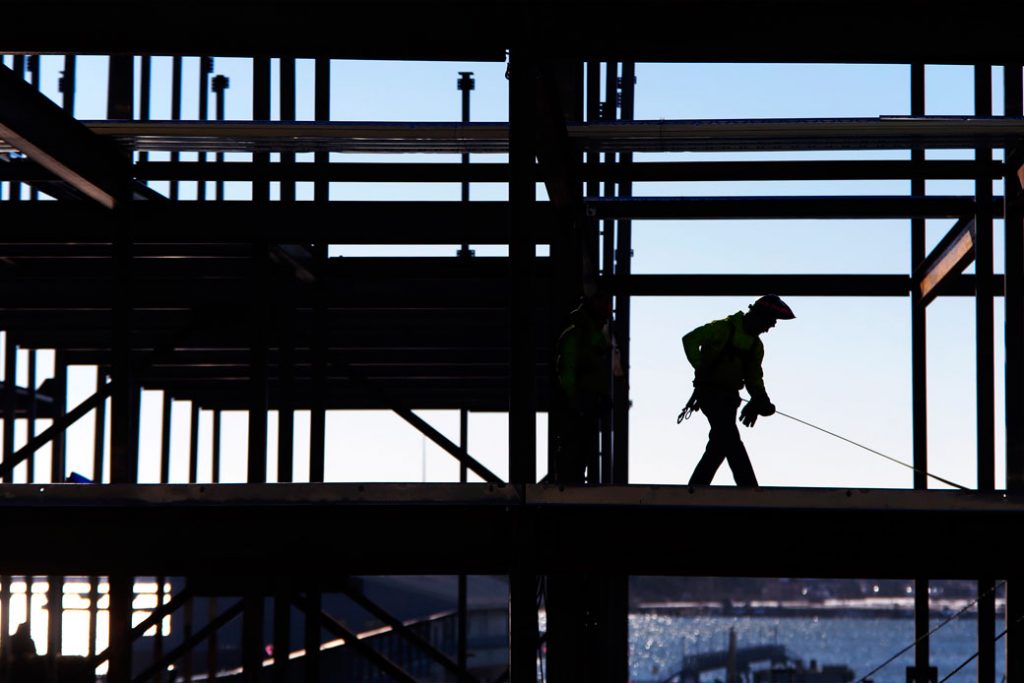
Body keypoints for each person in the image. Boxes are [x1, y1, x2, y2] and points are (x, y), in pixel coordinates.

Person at [681, 295, 795, 486]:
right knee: (731, 441)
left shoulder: (755, 347)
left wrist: (760, 400)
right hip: (710, 395)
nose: (771, 327)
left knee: (719, 444)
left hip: (730, 399)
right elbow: (690, 339)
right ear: (759, 316)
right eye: (770, 321)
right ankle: (750, 490)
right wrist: (701, 369)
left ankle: (695, 490)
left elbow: (754, 377)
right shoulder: (722, 328)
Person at [555, 290, 613, 483]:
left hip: (585, 401)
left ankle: (573, 483)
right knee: (575, 446)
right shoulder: (579, 335)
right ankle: (570, 484)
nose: (608, 312)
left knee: (582, 447)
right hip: (580, 401)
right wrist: (574, 400)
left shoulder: (586, 334)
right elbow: (568, 370)